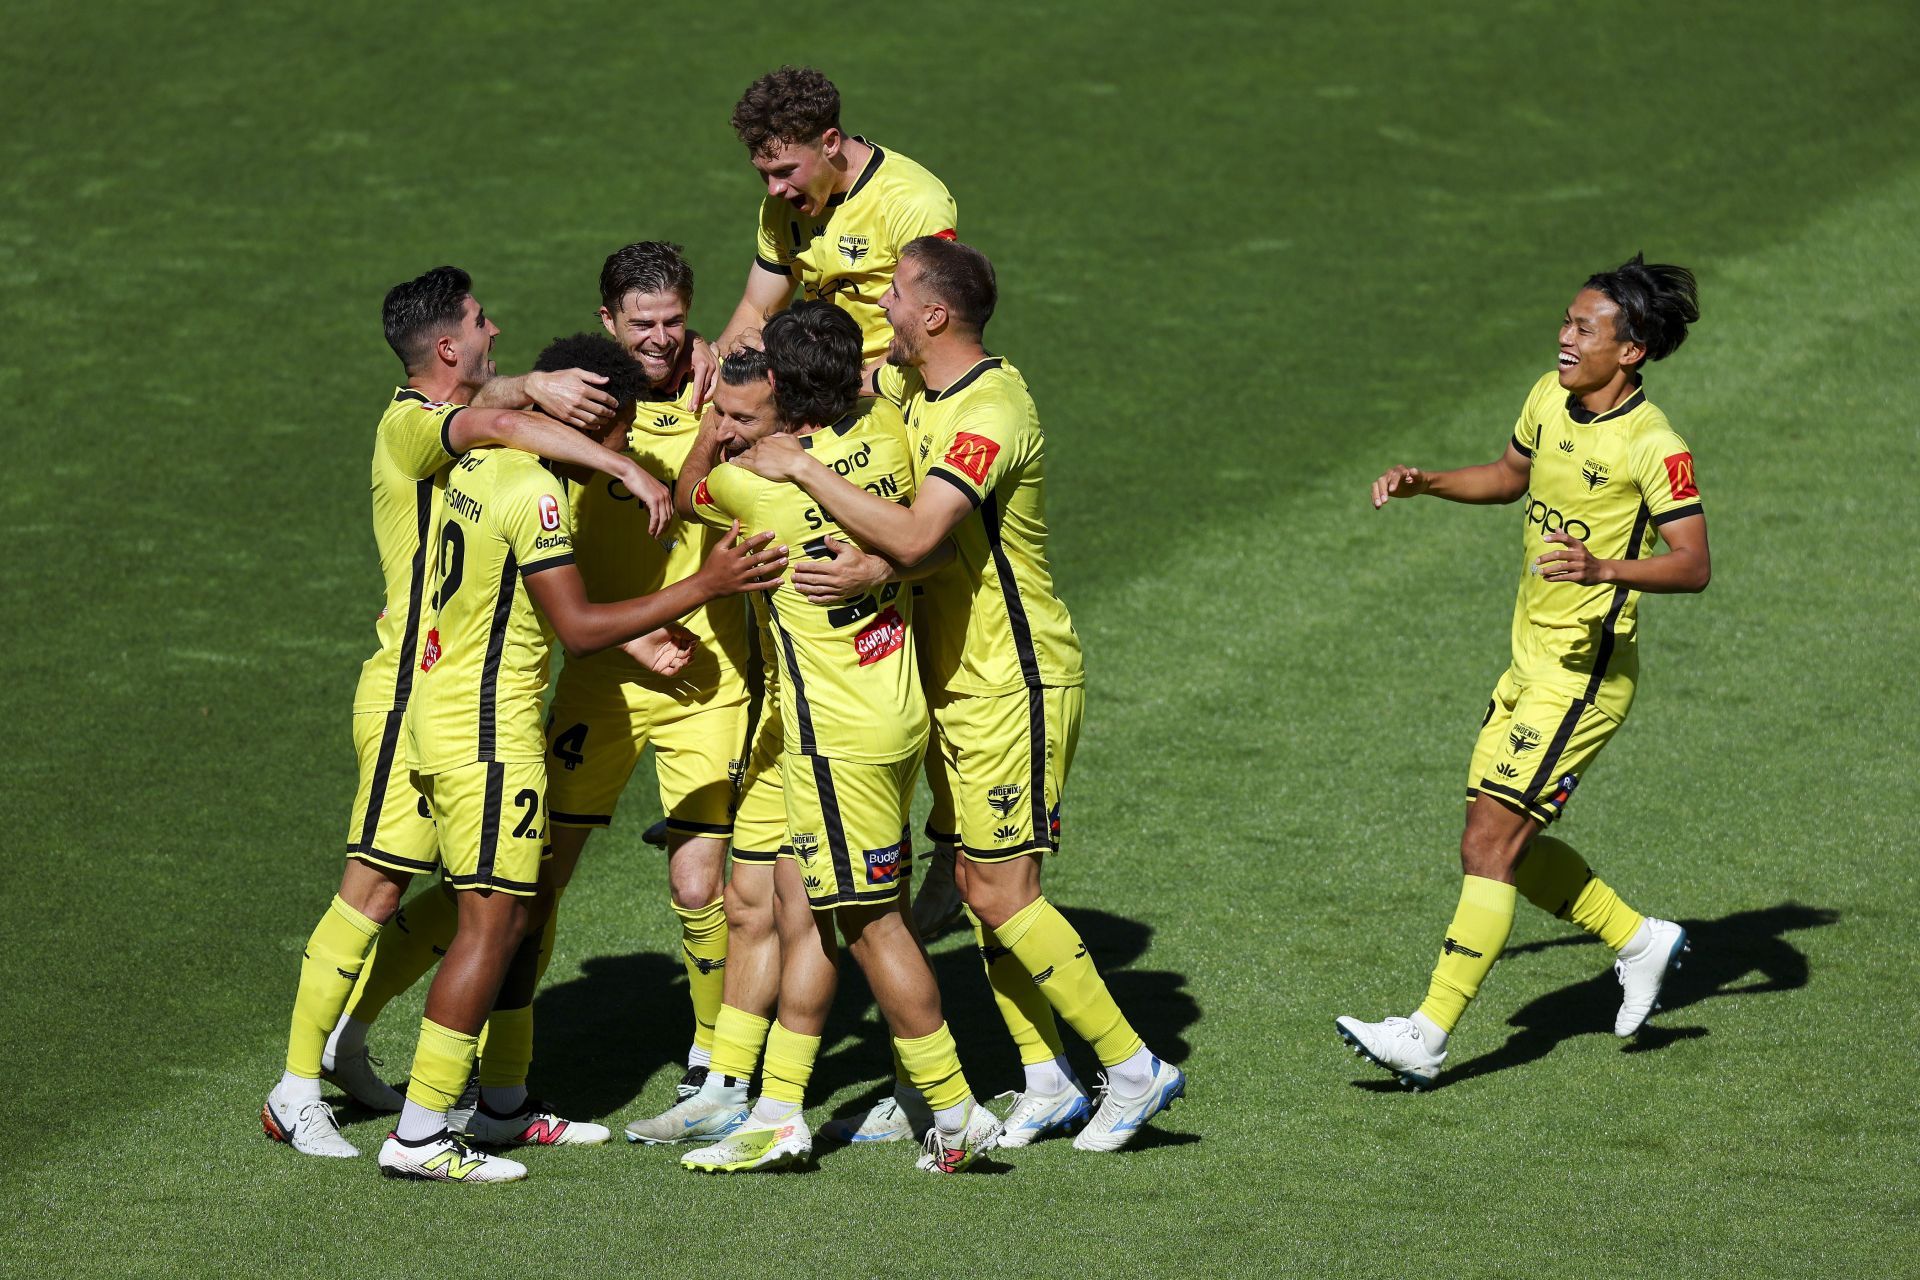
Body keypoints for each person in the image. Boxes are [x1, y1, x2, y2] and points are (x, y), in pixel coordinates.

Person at [732, 239, 1184, 1152]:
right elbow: (913, 528)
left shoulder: (992, 409)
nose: (883, 307)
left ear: (935, 315)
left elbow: (924, 528)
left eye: (894, 295)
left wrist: (807, 474)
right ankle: (1047, 1079)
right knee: (982, 886)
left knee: (1003, 889)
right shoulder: (910, 387)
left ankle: (1133, 1067)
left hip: (1009, 678)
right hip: (944, 677)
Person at [262, 265, 674, 1157]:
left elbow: (496, 437)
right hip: (423, 693)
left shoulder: (484, 450)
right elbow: (485, 416)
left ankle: (415, 1067)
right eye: (483, 322)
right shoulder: (415, 429)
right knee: (391, 889)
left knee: (488, 899)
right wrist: (614, 461)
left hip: (454, 692)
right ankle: (299, 1087)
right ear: (447, 346)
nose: (498, 331)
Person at [376, 333, 785, 1182]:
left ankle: (501, 1105)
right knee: (495, 920)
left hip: (458, 717)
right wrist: (704, 586)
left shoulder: (473, 462)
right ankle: (421, 1134)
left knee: (507, 912)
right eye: (618, 434)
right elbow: (578, 627)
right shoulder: (538, 495)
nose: (625, 449)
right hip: (489, 734)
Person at [1335, 255, 1709, 1089]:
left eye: (1585, 329)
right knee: (1500, 840)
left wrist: (1604, 568)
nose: (1565, 337)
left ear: (1633, 350)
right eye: (1567, 322)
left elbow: (1692, 565)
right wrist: (1428, 480)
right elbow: (1510, 477)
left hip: (1581, 681)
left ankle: (1426, 1036)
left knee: (1487, 843)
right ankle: (1641, 940)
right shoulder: (1550, 396)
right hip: (1528, 661)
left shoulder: (1655, 446)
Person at [676, 303, 997, 1174]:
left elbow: (685, 496)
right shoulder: (888, 433)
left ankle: (956, 1107)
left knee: (869, 925)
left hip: (833, 736)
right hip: (890, 708)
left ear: (781, 393)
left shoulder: (757, 489)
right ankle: (776, 1106)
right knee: (808, 906)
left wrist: (715, 427)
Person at [713, 66, 956, 364]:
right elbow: (756, 308)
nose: (774, 189)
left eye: (785, 171)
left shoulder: (913, 202)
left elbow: (929, 332)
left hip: (893, 380)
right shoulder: (783, 203)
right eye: (764, 174)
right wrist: (714, 367)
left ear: (830, 143)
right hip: (819, 376)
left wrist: (840, 386)